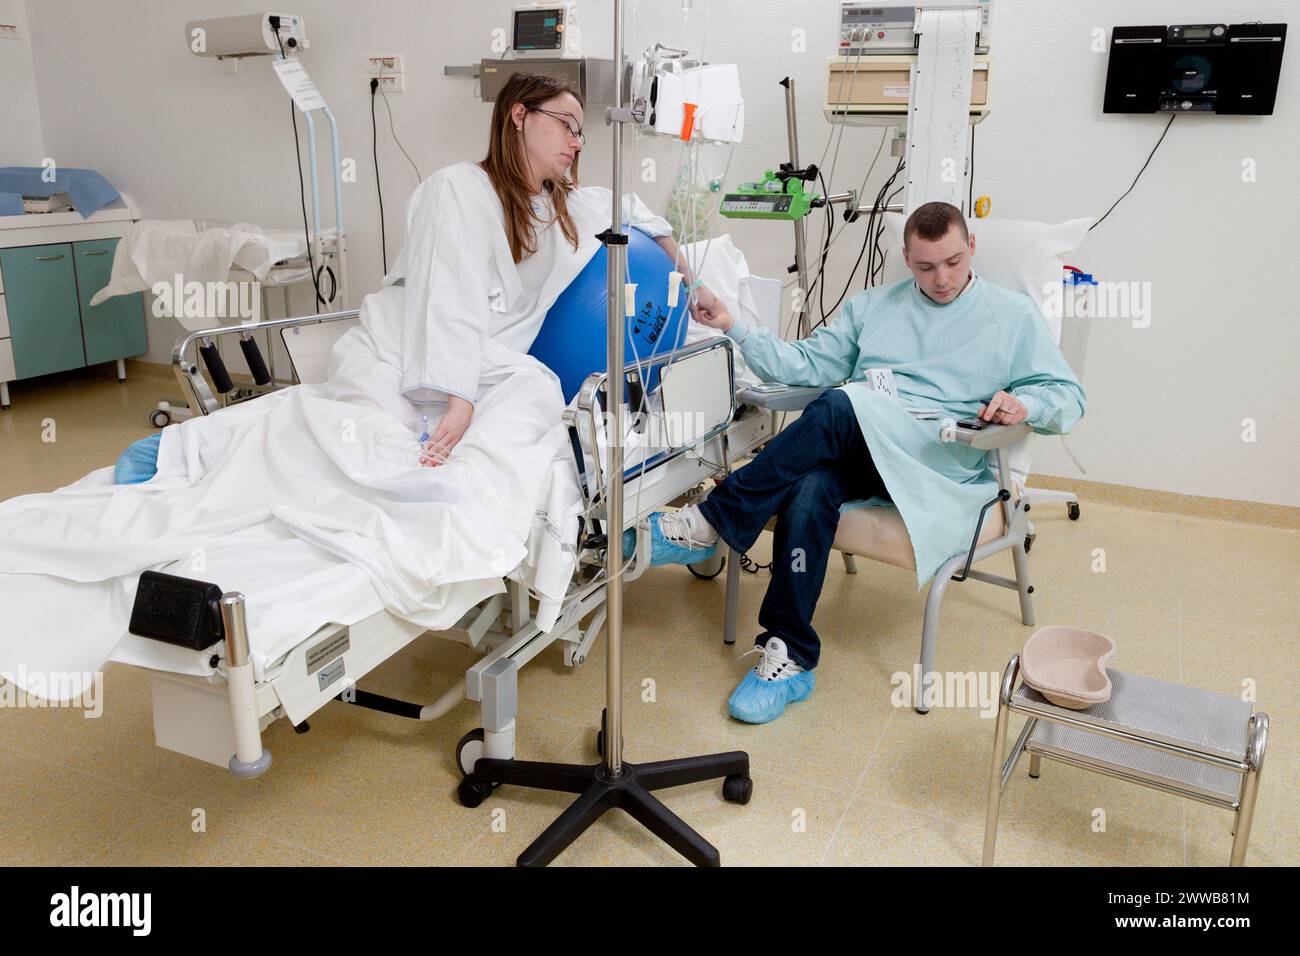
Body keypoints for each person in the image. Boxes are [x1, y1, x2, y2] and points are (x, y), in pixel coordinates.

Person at [648, 201, 1086, 725]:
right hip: (867, 450)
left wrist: (1027, 404)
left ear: (972, 248)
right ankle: (790, 656)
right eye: (925, 267)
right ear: (906, 257)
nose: (941, 279)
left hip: (936, 463)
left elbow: (1068, 398)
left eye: (951, 262)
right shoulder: (875, 306)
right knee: (811, 483)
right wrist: (733, 326)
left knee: (838, 404)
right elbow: (805, 364)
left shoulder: (1011, 317)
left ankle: (710, 521)